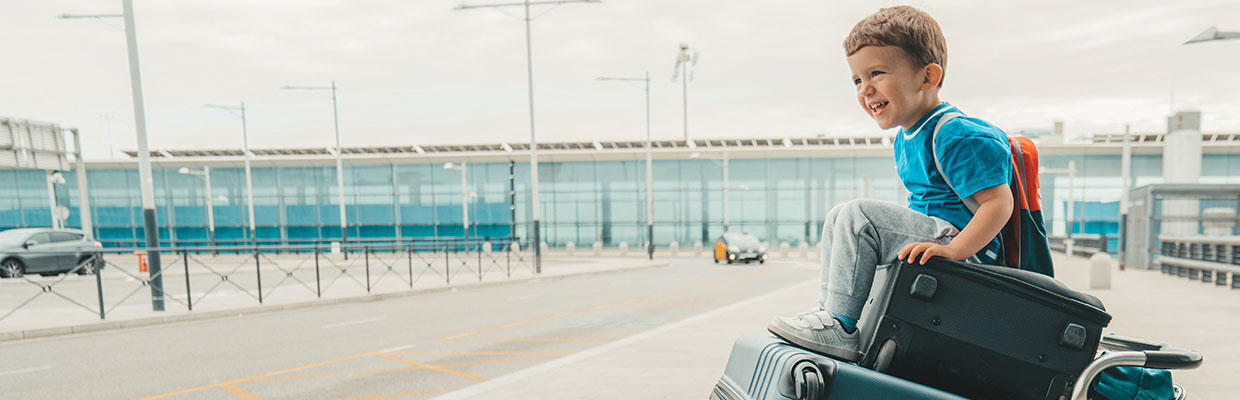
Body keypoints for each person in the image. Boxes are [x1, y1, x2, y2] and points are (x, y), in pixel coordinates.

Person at [767, 5, 1014, 362]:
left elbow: (998, 204)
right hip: (940, 237)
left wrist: (956, 250)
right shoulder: (906, 137)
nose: (866, 89)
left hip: (964, 252)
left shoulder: (953, 134)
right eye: (857, 80)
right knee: (840, 216)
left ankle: (840, 324)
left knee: (858, 217)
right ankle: (830, 314)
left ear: (927, 77)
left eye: (877, 73)